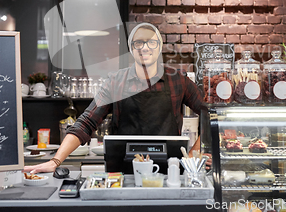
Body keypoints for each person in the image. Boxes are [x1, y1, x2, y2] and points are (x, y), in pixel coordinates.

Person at [24, 22, 206, 174]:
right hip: (123, 171)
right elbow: (86, 122)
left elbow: (211, 116)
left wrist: (193, 153)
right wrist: (55, 161)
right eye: (138, 43)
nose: (145, 48)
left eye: (151, 42)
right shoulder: (116, 82)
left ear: (159, 47)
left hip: (169, 171)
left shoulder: (178, 80)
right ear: (131, 48)